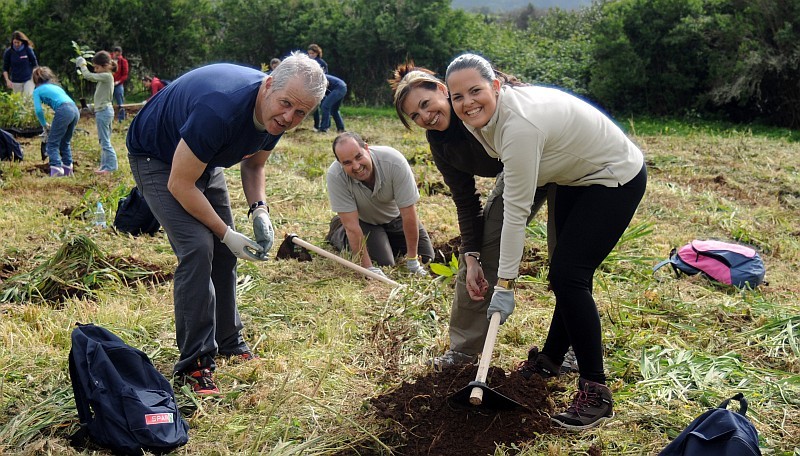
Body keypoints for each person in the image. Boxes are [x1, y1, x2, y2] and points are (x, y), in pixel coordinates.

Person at [445, 53, 647, 431]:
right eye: (458, 97)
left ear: (496, 87)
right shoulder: (482, 118)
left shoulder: (519, 126)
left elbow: (516, 213)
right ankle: (551, 359)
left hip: (614, 176)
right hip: (576, 177)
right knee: (565, 272)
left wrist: (504, 285)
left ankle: (596, 391)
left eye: (476, 91)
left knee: (570, 273)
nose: (468, 102)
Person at [126, 52, 327, 395]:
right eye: (286, 105)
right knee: (199, 247)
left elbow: (254, 166)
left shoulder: (278, 114)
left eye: (301, 113)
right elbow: (180, 183)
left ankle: (228, 340)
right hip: (158, 156)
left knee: (225, 253)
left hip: (203, 157)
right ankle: (195, 363)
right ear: (267, 86)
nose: (289, 117)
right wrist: (225, 232)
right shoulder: (220, 109)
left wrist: (259, 210)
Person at [390, 63, 566, 370]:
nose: (425, 117)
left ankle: (572, 345)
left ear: (443, 91)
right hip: (515, 173)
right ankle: (464, 348)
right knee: (483, 250)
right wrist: (469, 254)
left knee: (566, 257)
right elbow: (465, 200)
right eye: (415, 117)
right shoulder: (441, 143)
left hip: (559, 161)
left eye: (425, 105)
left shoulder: (482, 108)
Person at [326, 131, 434, 277]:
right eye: (347, 163)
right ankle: (338, 230)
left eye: (358, 157)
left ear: (367, 148)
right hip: (365, 221)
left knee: (426, 258)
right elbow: (352, 227)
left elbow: (408, 214)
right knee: (383, 262)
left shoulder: (394, 162)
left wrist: (412, 260)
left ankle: (384, 241)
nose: (356, 166)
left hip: (395, 218)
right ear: (340, 163)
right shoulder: (335, 175)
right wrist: (367, 268)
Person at [31, 67, 80, 177]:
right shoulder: (56, 87)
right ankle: (68, 169)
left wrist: (44, 125)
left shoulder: (37, 91)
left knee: (52, 143)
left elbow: (38, 110)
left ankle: (56, 170)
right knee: (65, 142)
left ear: (35, 80)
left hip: (63, 110)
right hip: (75, 109)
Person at [76, 51, 118, 174]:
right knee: (103, 140)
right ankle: (104, 166)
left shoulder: (107, 76)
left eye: (96, 67)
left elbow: (88, 76)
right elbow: (102, 99)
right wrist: (90, 106)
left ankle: (111, 168)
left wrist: (83, 65)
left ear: (105, 65)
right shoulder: (105, 77)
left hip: (104, 112)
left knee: (105, 141)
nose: (95, 70)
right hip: (103, 110)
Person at [3, 31, 38, 97]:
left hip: (28, 79)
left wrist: (35, 77)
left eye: (18, 42)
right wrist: (7, 80)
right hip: (16, 80)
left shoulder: (28, 49)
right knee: (19, 101)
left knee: (27, 97)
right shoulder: (9, 52)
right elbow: (5, 68)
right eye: (15, 42)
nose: (16, 44)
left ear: (22, 41)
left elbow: (35, 64)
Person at [307, 44, 328, 130]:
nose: (311, 55)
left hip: (320, 87)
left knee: (323, 107)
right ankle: (316, 125)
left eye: (312, 53)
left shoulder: (322, 63)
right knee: (315, 108)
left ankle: (324, 126)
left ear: (317, 53)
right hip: (311, 87)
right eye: (309, 53)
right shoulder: (308, 62)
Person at [111, 46, 129, 121]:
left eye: (119, 55)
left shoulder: (123, 61)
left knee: (120, 101)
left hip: (118, 84)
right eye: (117, 55)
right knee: (109, 101)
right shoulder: (108, 59)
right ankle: (110, 118)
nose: (118, 56)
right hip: (109, 83)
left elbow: (125, 74)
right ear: (114, 53)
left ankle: (121, 118)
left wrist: (118, 81)